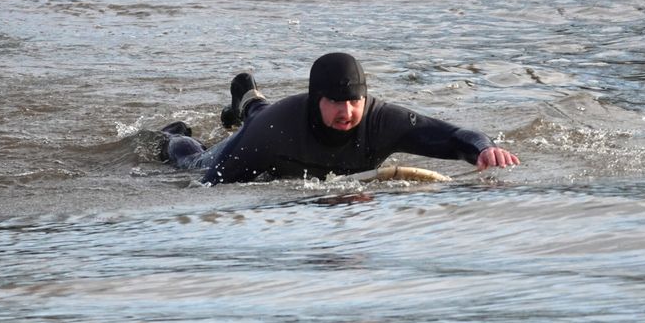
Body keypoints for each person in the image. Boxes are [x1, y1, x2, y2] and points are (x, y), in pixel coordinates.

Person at [158, 52, 519, 185]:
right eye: (335, 101)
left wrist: (483, 149)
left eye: (355, 101)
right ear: (317, 99)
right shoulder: (270, 134)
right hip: (266, 130)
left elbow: (455, 136)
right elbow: (209, 185)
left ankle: (249, 97)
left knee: (267, 116)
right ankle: (170, 132)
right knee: (192, 160)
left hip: (279, 121)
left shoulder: (382, 121)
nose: (347, 112)